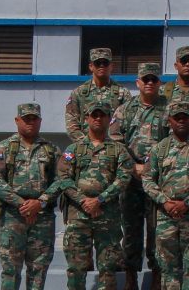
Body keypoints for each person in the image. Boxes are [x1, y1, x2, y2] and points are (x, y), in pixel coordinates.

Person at [142, 100, 189, 290]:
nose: (181, 121)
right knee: (167, 265)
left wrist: (188, 202)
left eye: (185, 117)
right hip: (166, 214)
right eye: (177, 118)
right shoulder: (159, 149)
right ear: (169, 121)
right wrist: (165, 202)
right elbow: (147, 179)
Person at [58, 102, 134, 290]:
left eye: (102, 115)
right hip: (78, 216)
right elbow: (63, 178)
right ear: (86, 119)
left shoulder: (118, 150)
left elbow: (123, 178)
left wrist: (100, 199)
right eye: (94, 115)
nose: (98, 119)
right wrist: (83, 200)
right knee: (76, 268)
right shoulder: (73, 150)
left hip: (107, 217)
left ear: (109, 119)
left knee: (108, 268)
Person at [0, 103, 62, 290]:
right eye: (26, 118)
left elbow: (62, 180)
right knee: (10, 268)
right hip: (13, 217)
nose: (30, 122)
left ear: (40, 121)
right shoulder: (3, 148)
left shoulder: (51, 150)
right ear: (17, 120)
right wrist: (23, 204)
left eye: (34, 118)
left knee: (39, 267)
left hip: (42, 217)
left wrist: (40, 203)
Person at [110, 62, 170, 289]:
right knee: (132, 229)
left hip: (158, 181)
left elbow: (174, 140)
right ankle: (131, 275)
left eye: (154, 79)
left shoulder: (170, 108)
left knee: (157, 231)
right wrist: (132, 166)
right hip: (131, 181)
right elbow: (115, 142)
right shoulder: (124, 110)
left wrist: (153, 168)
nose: (150, 83)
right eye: (146, 79)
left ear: (159, 83)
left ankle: (156, 274)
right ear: (138, 83)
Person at [65, 47, 130, 145]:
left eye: (105, 63)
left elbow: (128, 123)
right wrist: (87, 144)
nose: (101, 66)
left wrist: (116, 146)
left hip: (114, 149)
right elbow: (71, 124)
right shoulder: (78, 93)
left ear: (111, 66)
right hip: (86, 149)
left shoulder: (122, 93)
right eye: (97, 63)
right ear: (91, 66)